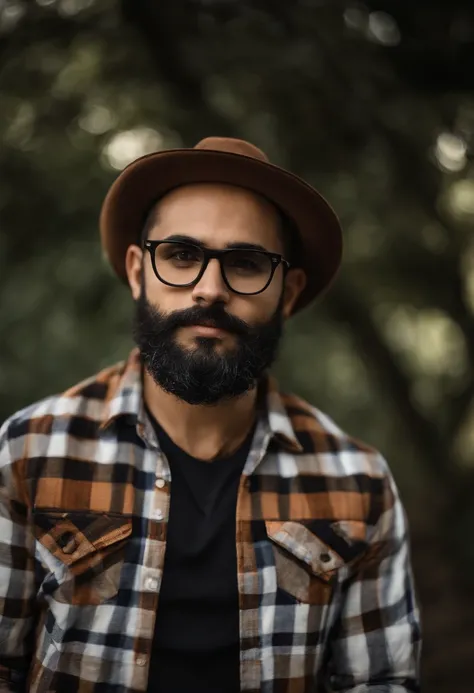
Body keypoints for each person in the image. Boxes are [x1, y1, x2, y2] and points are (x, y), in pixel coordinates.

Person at [0, 137, 421, 693]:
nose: (210, 289)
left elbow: (380, 682)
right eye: (181, 254)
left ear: (288, 293)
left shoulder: (359, 485)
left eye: (246, 263)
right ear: (136, 271)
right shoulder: (30, 453)